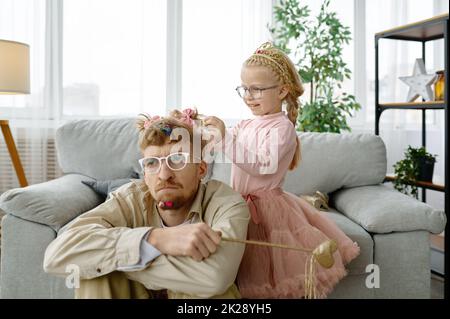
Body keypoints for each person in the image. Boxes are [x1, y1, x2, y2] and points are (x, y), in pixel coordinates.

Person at [203, 42, 360, 298]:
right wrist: (196, 125)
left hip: (266, 211)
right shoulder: (246, 124)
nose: (248, 96)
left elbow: (262, 166)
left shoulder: (282, 128)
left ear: (282, 90)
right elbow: (217, 143)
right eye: (244, 88)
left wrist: (225, 138)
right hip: (238, 205)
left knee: (268, 277)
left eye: (257, 89)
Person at [43, 109, 250, 299]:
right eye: (152, 163)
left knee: (97, 262)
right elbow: (56, 255)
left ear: (201, 169)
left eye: (178, 159)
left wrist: (122, 258)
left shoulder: (227, 203)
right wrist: (155, 239)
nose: (164, 174)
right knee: (96, 276)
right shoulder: (129, 198)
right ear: (144, 173)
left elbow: (214, 277)